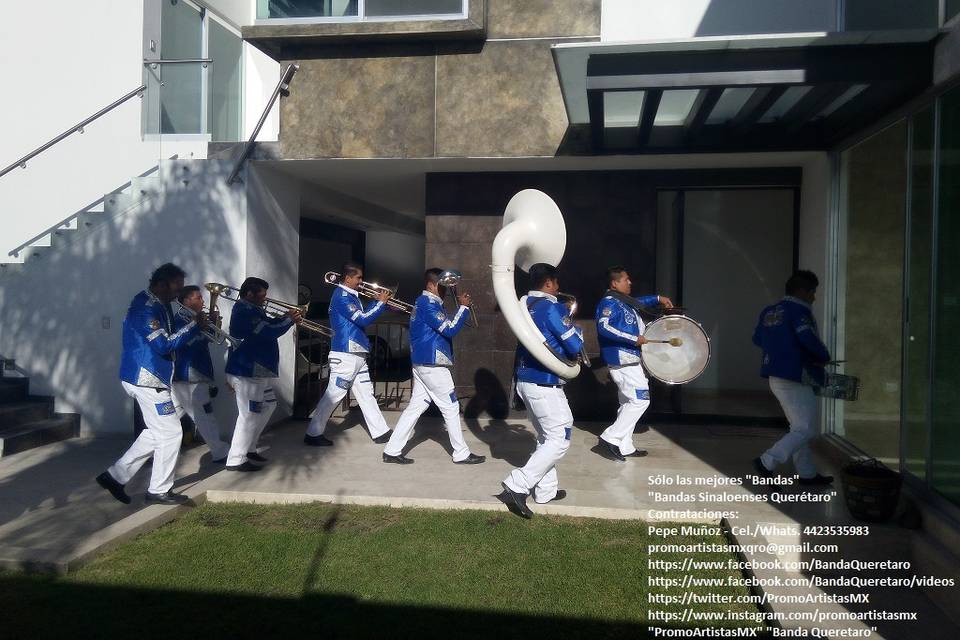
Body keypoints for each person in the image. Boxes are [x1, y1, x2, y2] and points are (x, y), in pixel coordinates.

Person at [95, 263, 206, 505]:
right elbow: (164, 345)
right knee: (171, 432)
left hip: (158, 377)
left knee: (158, 431)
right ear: (160, 284)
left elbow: (174, 338)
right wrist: (195, 325)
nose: (179, 294)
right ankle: (158, 490)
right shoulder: (145, 309)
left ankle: (114, 476)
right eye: (175, 288)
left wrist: (194, 323)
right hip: (148, 378)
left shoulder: (159, 303)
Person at [498, 263, 584, 519]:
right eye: (556, 283)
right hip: (545, 383)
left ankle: (546, 491)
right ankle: (517, 485)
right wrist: (575, 327)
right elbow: (574, 346)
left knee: (546, 437)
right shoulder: (551, 307)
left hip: (526, 380)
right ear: (548, 283)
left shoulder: (526, 307)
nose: (558, 288)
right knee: (560, 437)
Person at [382, 268, 485, 465]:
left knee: (416, 407)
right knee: (451, 407)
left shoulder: (427, 303)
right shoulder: (428, 304)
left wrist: (460, 307)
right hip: (433, 363)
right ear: (430, 285)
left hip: (424, 362)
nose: (446, 290)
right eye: (442, 285)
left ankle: (392, 450)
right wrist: (463, 308)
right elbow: (450, 329)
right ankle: (461, 453)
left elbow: (445, 325)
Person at [752, 270, 834, 486]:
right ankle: (766, 461)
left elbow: (758, 338)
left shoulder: (770, 311)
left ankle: (807, 474)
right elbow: (807, 337)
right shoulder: (798, 311)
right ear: (801, 291)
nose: (814, 297)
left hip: (775, 375)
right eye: (812, 292)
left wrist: (780, 351)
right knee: (806, 429)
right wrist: (823, 357)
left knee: (798, 427)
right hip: (795, 375)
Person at [304, 263, 392, 446]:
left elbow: (362, 315)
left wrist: (376, 302)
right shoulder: (342, 297)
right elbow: (363, 319)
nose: (362, 282)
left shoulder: (352, 297)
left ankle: (381, 432)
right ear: (348, 278)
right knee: (334, 395)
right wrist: (381, 304)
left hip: (357, 353)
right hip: (346, 353)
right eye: (359, 278)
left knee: (366, 394)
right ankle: (313, 433)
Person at [595, 266, 673, 462]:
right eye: (625, 280)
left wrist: (658, 299)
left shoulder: (624, 302)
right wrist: (633, 338)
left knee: (628, 403)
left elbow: (640, 302)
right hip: (623, 360)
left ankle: (625, 445)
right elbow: (603, 327)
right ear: (615, 283)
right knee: (640, 401)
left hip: (630, 360)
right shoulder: (609, 303)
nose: (630, 283)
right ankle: (610, 438)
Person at [224, 277, 301, 472]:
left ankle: (249, 447)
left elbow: (268, 323)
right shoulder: (244, 310)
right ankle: (236, 458)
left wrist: (285, 317)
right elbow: (267, 331)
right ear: (249, 294)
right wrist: (288, 320)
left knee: (268, 404)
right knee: (248, 414)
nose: (265, 299)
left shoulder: (254, 309)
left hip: (259, 370)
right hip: (248, 370)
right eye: (262, 295)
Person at [170, 285, 231, 463]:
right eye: (199, 298)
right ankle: (220, 452)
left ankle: (149, 450)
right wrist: (200, 326)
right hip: (190, 374)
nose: (203, 301)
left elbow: (212, 339)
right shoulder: (180, 320)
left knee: (171, 418)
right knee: (204, 415)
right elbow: (188, 345)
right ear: (186, 301)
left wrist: (211, 323)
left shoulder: (195, 318)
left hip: (193, 373)